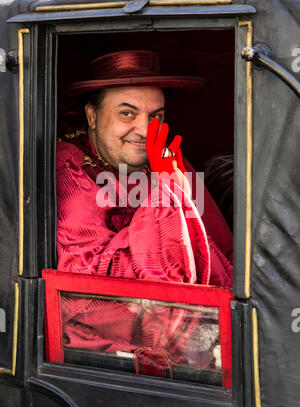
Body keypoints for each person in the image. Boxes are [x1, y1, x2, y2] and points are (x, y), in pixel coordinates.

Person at [55, 50, 233, 377]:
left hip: (192, 340)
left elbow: (219, 248)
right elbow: (93, 278)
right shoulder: (70, 165)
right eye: (127, 113)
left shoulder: (163, 159)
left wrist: (177, 179)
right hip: (110, 357)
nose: (144, 130)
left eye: (156, 117)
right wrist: (165, 195)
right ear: (92, 116)